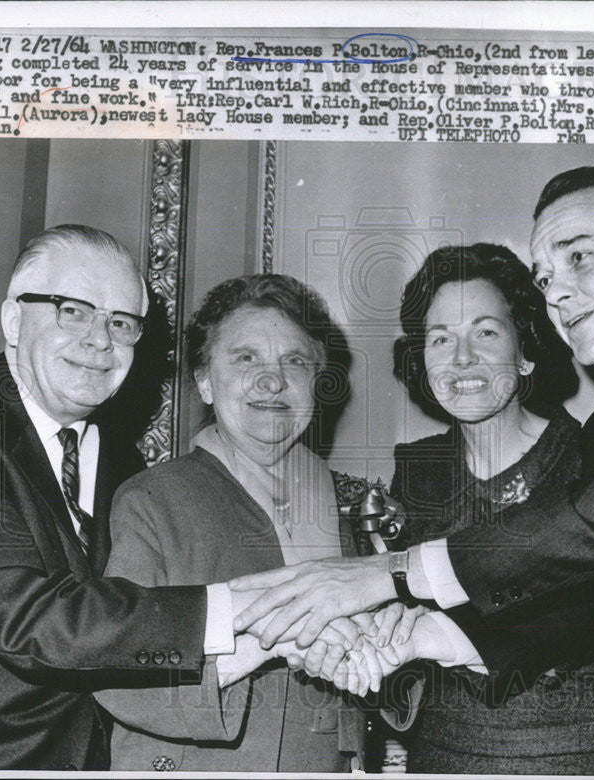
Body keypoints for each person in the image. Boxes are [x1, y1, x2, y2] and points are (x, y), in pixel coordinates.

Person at [230, 165, 594, 777]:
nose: (558, 291)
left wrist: (390, 573)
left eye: (579, 258)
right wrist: (422, 640)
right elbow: (589, 599)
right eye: (546, 277)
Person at [0, 225, 294, 770]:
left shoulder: (126, 463)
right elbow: (32, 624)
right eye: (74, 310)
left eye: (121, 323)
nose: (101, 340)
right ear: (13, 320)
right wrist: (255, 612)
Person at [94, 274, 373, 771]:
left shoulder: (337, 502)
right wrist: (258, 645)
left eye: (295, 361)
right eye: (246, 358)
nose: (273, 380)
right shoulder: (153, 500)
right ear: (204, 380)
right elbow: (110, 669)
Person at [384, 243, 594, 774]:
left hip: (573, 748)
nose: (461, 359)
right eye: (440, 339)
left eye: (485, 332)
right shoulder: (416, 470)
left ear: (524, 352)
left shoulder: (592, 455)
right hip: (441, 749)